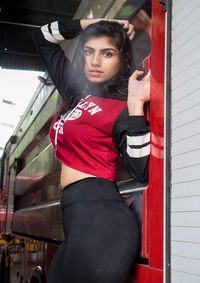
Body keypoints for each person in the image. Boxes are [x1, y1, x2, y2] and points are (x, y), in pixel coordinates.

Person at [34, 18, 150, 283]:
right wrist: (96, 22)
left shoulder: (120, 106)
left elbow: (141, 169)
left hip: (103, 225)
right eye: (89, 51)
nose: (95, 61)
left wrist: (134, 107)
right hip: (75, 223)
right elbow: (43, 37)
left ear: (122, 59)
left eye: (107, 53)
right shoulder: (74, 91)